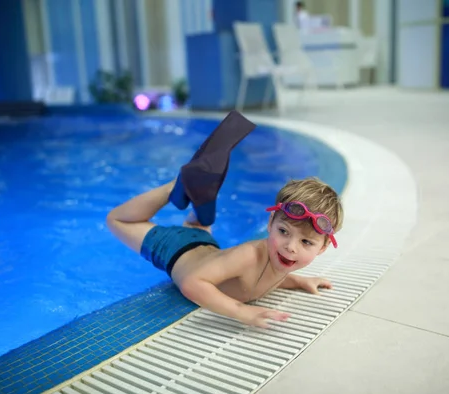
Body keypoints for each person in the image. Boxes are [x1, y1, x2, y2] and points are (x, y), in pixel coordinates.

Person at [106, 112, 344, 329]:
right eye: (283, 231)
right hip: (175, 248)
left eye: (306, 242)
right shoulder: (249, 255)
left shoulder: (283, 257)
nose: (290, 246)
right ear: (270, 223)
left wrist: (300, 282)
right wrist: (241, 311)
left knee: (197, 227)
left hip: (202, 242)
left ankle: (200, 199)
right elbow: (191, 282)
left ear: (322, 247)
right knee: (116, 220)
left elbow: (269, 276)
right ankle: (174, 189)